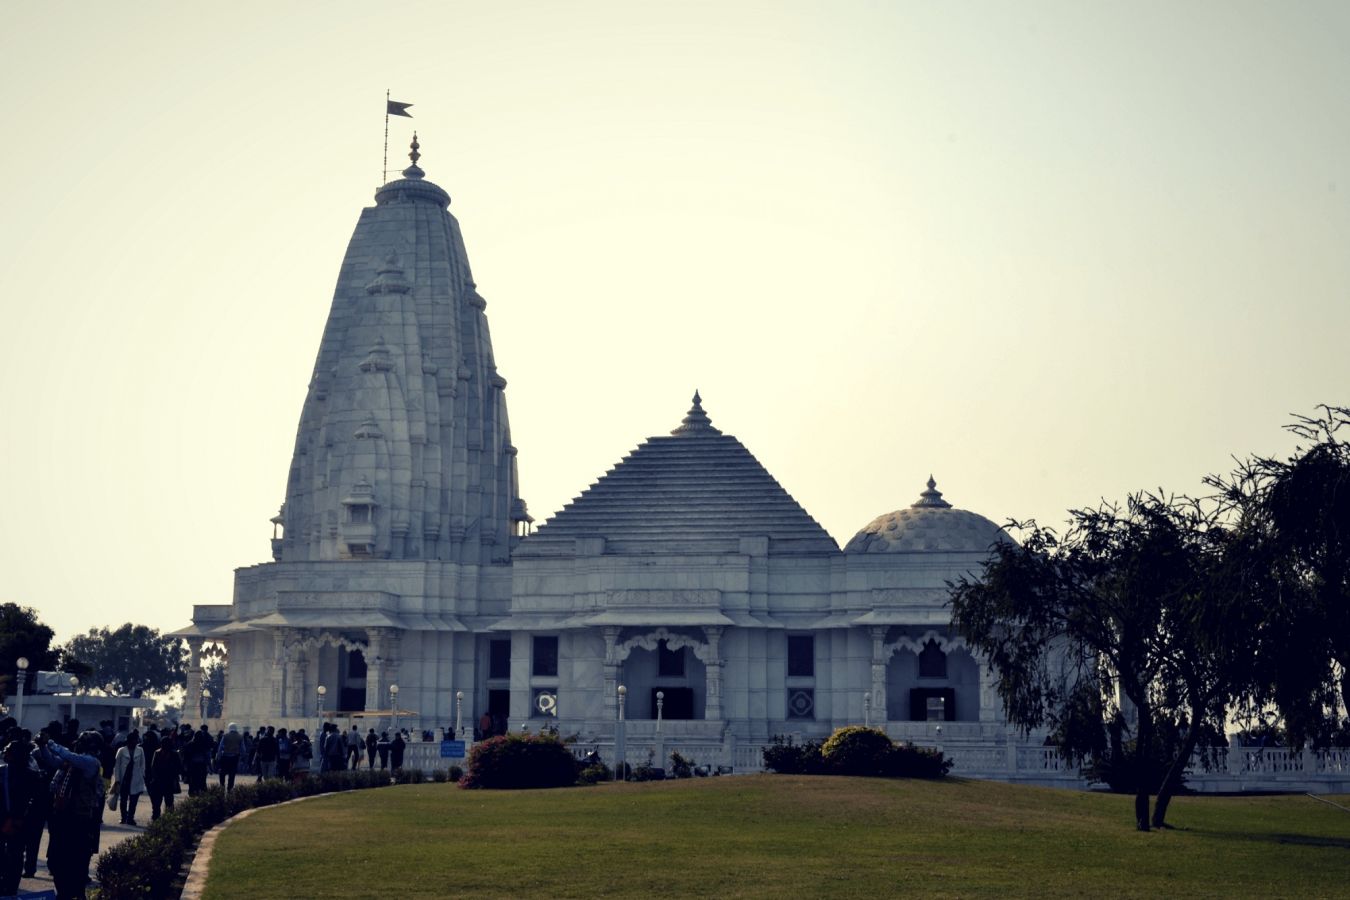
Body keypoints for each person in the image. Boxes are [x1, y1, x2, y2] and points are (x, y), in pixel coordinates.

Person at [41, 730, 106, 900]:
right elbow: (52, 761)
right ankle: (65, 893)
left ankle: (72, 894)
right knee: (55, 861)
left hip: (79, 820)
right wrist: (42, 746)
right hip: (62, 817)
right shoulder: (71, 762)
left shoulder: (90, 762)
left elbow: (70, 757)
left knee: (75, 861)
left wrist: (51, 743)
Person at [0, 738, 39, 896]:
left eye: (8, 750)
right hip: (14, 822)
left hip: (11, 821)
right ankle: (9, 887)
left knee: (10, 854)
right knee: (12, 855)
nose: (4, 752)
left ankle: (7, 886)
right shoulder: (32, 775)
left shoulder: (6, 773)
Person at [112, 730, 146, 826]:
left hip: (136, 778)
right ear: (129, 741)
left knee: (134, 800)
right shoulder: (121, 750)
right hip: (124, 778)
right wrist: (117, 779)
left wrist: (142, 775)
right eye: (133, 741)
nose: (134, 742)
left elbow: (143, 764)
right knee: (123, 800)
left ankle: (130, 818)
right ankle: (123, 817)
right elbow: (117, 766)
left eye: (135, 741)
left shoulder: (140, 750)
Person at [149, 731, 181, 821]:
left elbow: (178, 767)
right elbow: (153, 767)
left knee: (168, 800)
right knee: (158, 801)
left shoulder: (173, 754)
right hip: (160, 780)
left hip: (168, 780)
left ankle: (168, 817)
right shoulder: (158, 753)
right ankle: (156, 815)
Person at [216, 723, 244, 790]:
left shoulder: (225, 736)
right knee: (232, 774)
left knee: (222, 772)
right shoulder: (240, 737)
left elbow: (220, 747)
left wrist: (218, 756)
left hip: (225, 757)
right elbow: (243, 749)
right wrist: (241, 757)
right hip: (234, 758)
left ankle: (222, 785)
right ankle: (229, 788)